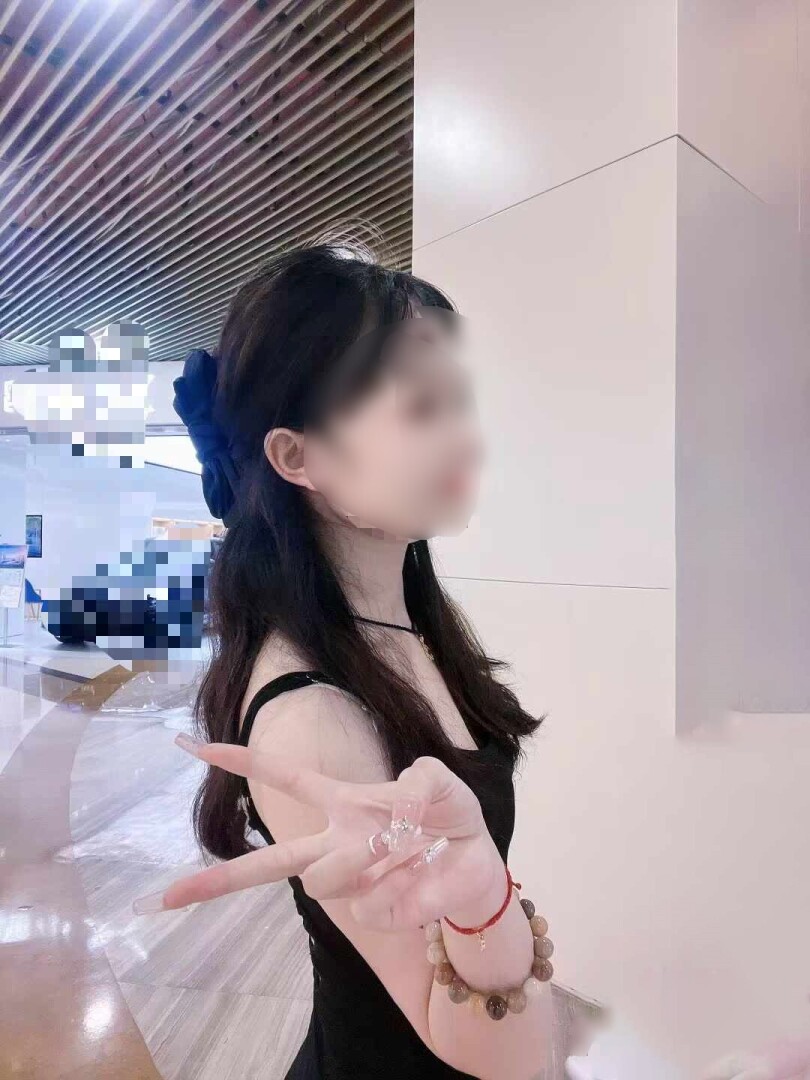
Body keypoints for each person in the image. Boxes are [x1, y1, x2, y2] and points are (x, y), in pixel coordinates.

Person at [134, 242, 555, 1080]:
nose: (463, 437)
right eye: (419, 406)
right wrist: (485, 905)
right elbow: (494, 1055)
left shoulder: (402, 626)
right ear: (299, 457)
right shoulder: (315, 717)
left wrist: (487, 901)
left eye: (458, 401)